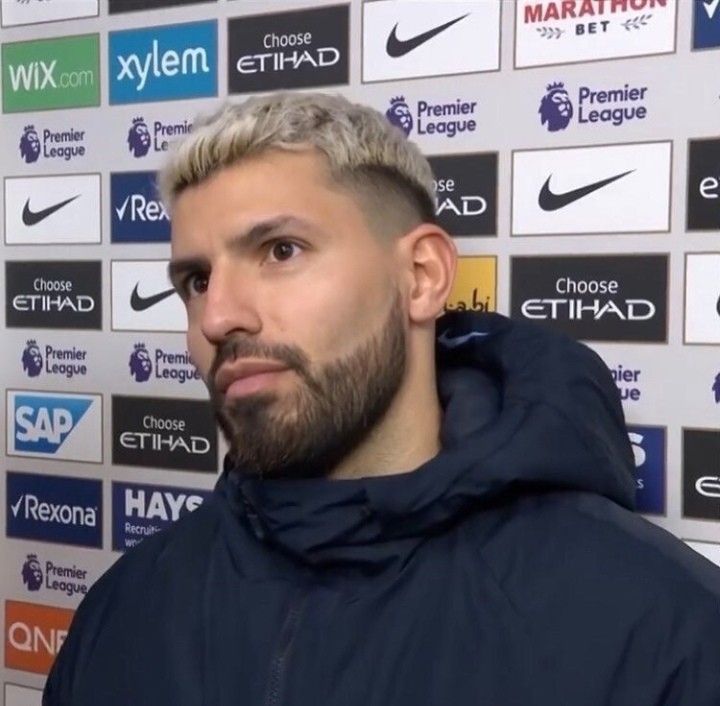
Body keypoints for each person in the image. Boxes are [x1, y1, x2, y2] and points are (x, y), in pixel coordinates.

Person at [44, 92, 720, 706]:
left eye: (281, 250)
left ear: (422, 278)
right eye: (196, 279)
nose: (217, 317)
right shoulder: (126, 608)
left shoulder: (660, 630)